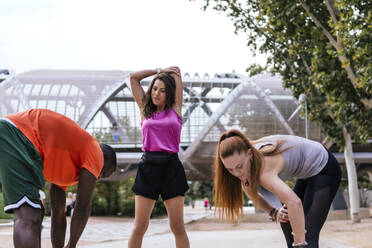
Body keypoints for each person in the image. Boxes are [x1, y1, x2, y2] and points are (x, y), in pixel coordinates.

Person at [0, 109, 117, 248]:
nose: (97, 178)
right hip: (17, 133)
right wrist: (72, 245)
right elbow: (82, 207)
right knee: (28, 217)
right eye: (103, 173)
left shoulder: (66, 170)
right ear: (104, 161)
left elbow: (58, 212)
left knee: (37, 211)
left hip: (14, 135)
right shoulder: (96, 151)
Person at [214, 129, 341, 248]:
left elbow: (294, 203)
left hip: (324, 167)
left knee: (307, 233)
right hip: (306, 173)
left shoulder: (264, 171)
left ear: (250, 154)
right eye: (230, 169)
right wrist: (274, 213)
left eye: (239, 166)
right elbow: (251, 192)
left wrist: (300, 244)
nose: (237, 173)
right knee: (286, 220)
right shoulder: (245, 162)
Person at [128, 67, 189, 248]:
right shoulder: (144, 109)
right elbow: (133, 78)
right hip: (148, 168)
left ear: (169, 94)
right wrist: (158, 70)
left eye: (162, 91)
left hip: (171, 168)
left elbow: (177, 72)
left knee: (177, 227)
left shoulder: (176, 108)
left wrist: (172, 73)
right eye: (155, 89)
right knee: (140, 226)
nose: (157, 94)